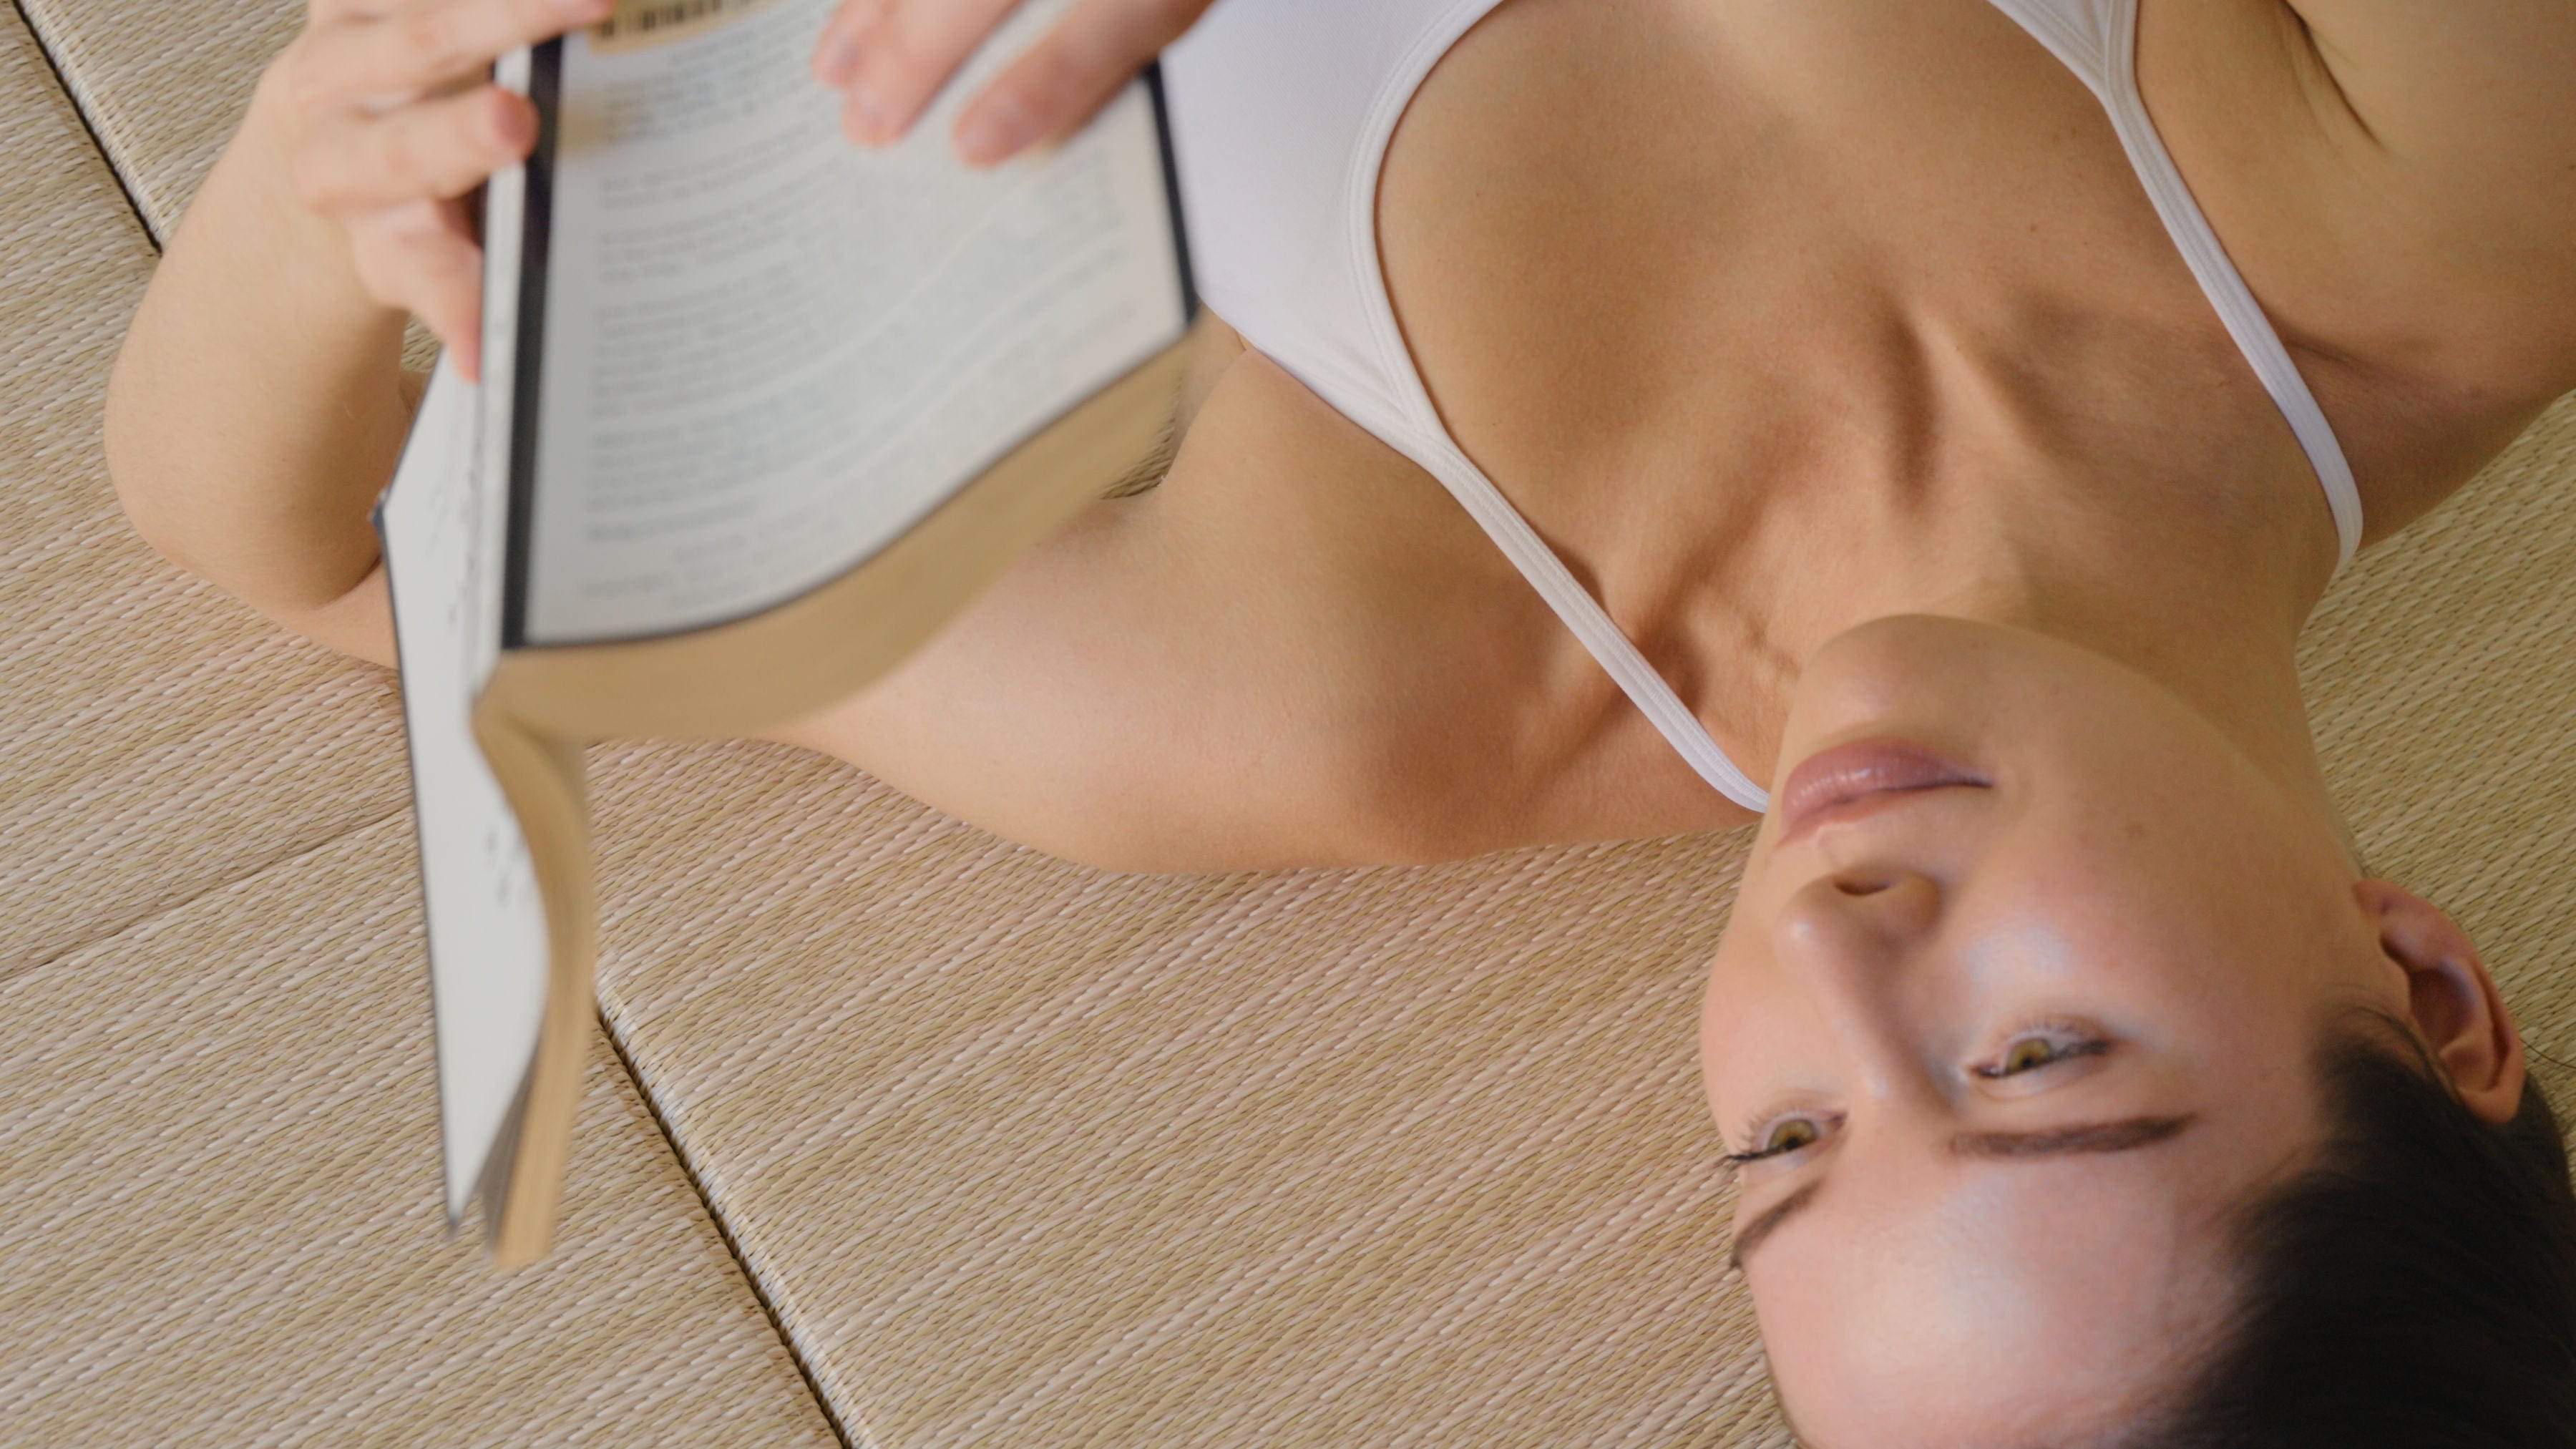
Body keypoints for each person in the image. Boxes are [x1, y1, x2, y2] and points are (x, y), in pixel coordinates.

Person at [104, 0, 2576, 1439]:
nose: (1830, 950)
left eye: (1793, 1137)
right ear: (2434, 993)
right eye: (2032, 1056)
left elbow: (332, 540)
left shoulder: (1356, 681)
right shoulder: (2450, 213)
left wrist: (353, 111)